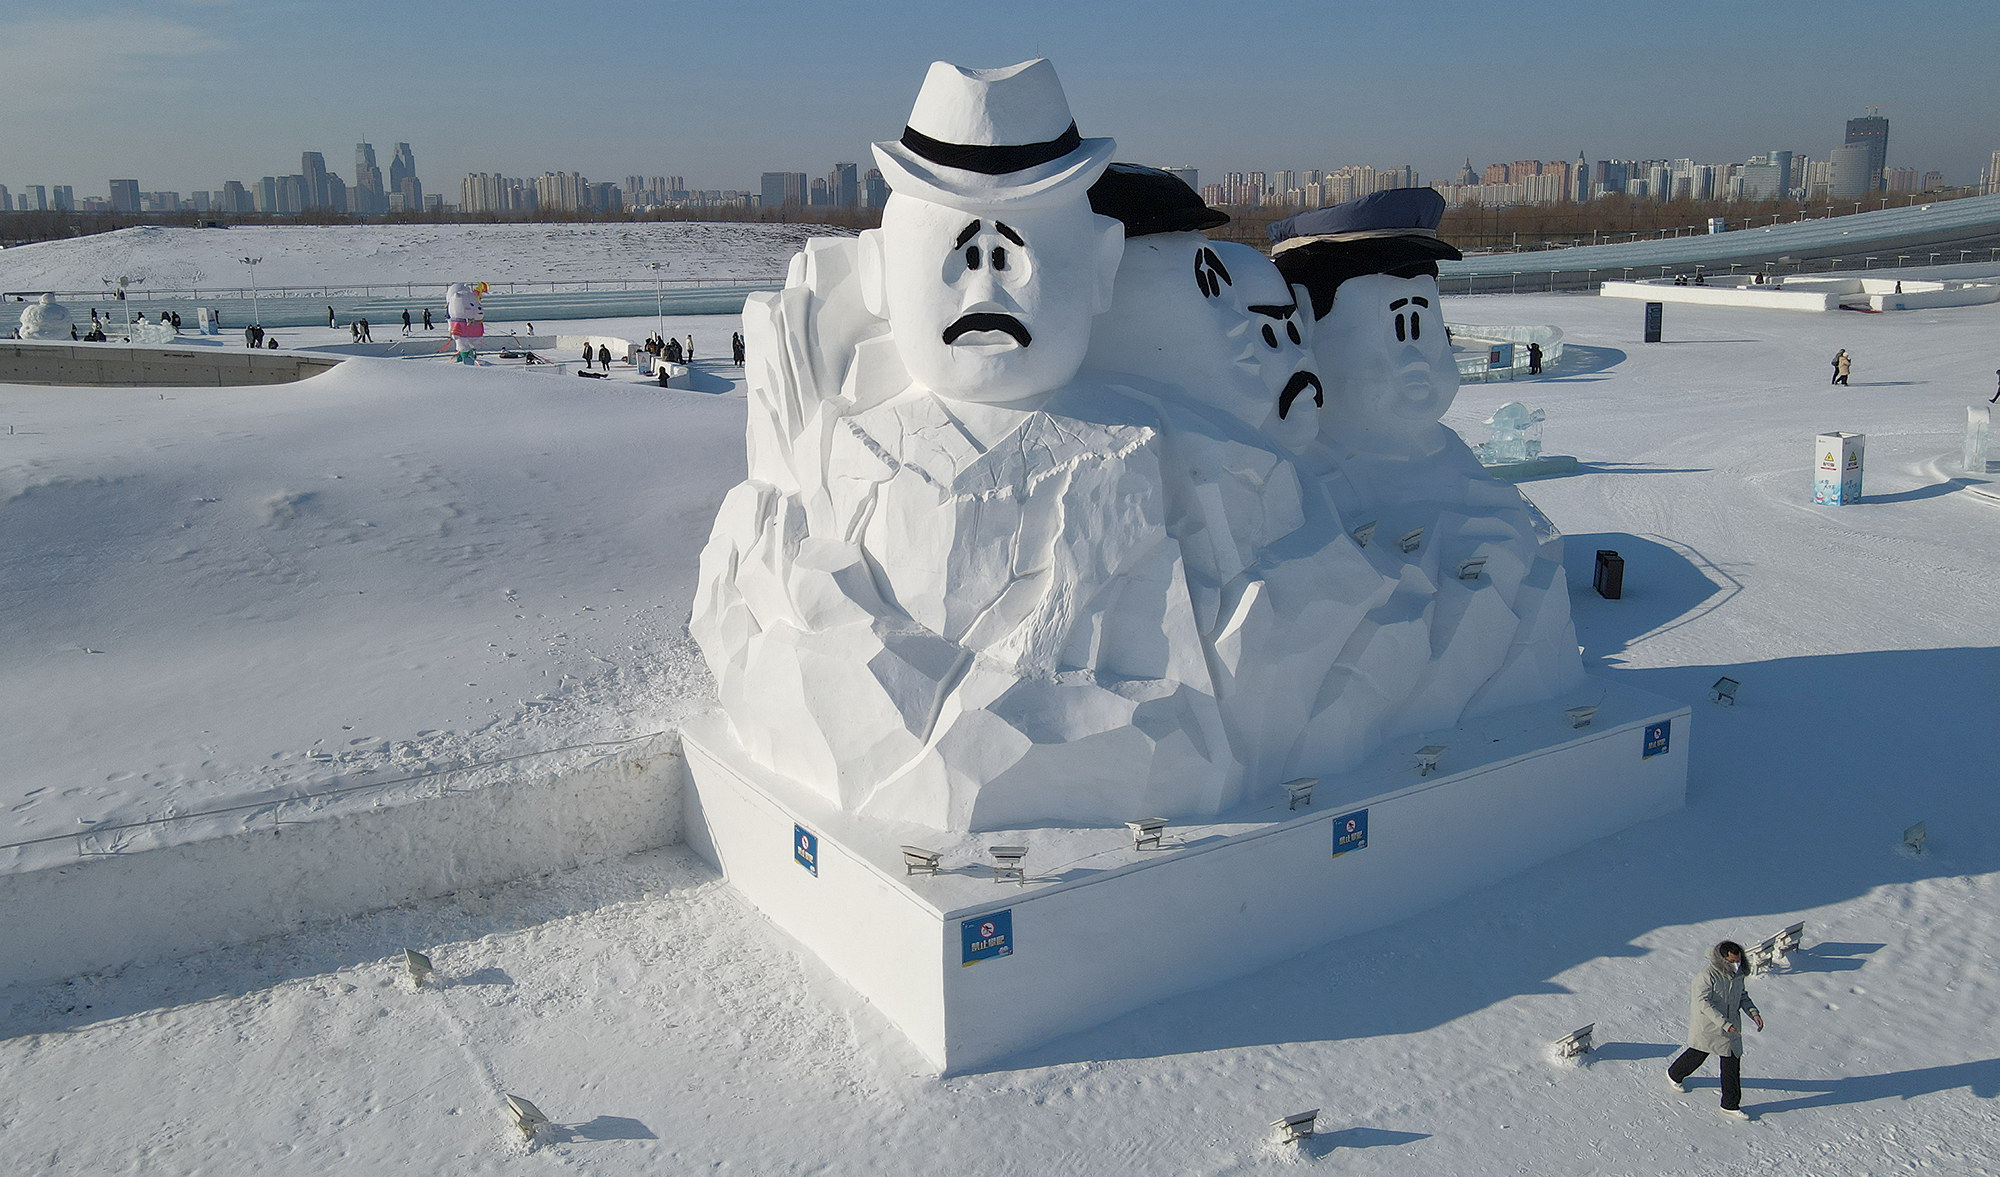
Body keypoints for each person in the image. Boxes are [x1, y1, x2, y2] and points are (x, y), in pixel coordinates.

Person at [1667, 941, 1764, 1120]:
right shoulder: (1706, 976)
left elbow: (1742, 995)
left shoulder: (1738, 974)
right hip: (1709, 1026)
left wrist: (1753, 1013)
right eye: (1732, 961)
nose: (1736, 964)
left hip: (1730, 1027)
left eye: (1738, 960)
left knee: (1732, 1062)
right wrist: (1725, 1023)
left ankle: (1730, 1104)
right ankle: (1674, 1074)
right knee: (1698, 1053)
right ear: (1723, 958)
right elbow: (1704, 1004)